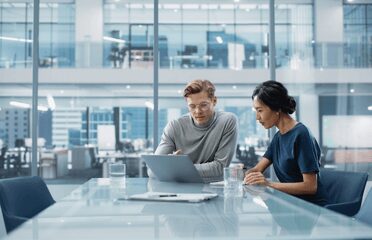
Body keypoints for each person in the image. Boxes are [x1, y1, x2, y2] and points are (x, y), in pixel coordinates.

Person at [243, 80, 328, 206]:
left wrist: (268, 184)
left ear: (276, 108)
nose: (257, 117)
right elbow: (257, 169)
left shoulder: (301, 134)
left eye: (260, 110)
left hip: (310, 208)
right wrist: (244, 173)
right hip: (290, 203)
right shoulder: (278, 137)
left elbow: (311, 186)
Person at [154, 79, 238, 183]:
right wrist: (176, 167)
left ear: (214, 101)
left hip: (212, 189)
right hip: (179, 190)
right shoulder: (174, 126)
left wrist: (176, 168)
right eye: (192, 106)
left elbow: (220, 168)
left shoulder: (227, 121)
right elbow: (153, 170)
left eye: (203, 105)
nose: (198, 111)